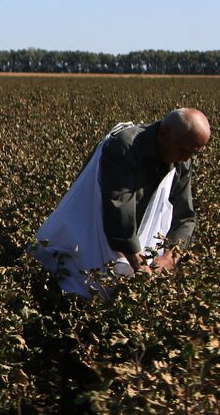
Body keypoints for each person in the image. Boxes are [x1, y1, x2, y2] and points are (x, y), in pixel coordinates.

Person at [35, 108, 209, 297]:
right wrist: (140, 266)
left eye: (193, 152)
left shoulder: (182, 161)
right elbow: (118, 213)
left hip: (130, 241)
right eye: (184, 150)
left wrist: (170, 256)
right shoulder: (125, 146)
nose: (186, 158)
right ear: (164, 133)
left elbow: (185, 217)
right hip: (91, 233)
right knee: (74, 285)